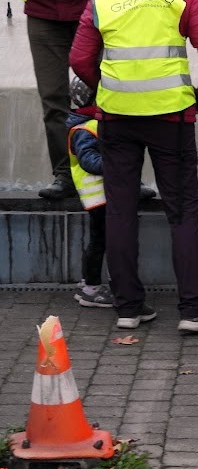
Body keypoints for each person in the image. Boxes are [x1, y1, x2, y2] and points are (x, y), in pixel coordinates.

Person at [70, 0, 198, 333]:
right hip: (171, 119)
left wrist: (104, 88)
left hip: (117, 119)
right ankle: (194, 310)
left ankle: (128, 308)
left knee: (120, 210)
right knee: (182, 212)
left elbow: (79, 60)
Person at [0, 0, 127, 199]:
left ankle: (117, 173)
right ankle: (65, 175)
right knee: (53, 101)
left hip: (94, 11)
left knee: (110, 96)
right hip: (44, 13)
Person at [67, 76, 113, 308]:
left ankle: (89, 282)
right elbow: (89, 161)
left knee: (99, 240)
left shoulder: (87, 123)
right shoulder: (85, 129)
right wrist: (117, 165)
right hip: (99, 199)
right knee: (101, 241)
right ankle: (91, 290)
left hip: (102, 198)